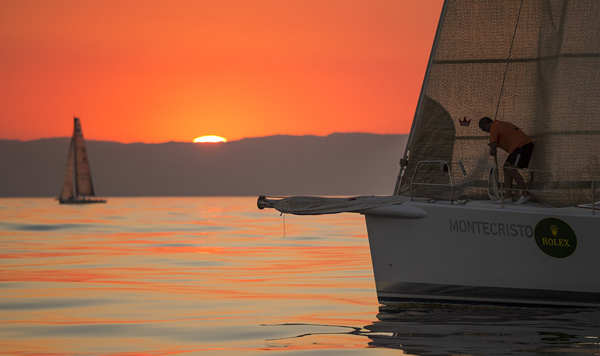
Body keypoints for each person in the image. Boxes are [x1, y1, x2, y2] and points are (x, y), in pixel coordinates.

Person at [479, 117, 534, 204]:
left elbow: (493, 148)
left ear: (486, 124)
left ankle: (525, 194)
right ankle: (508, 196)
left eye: (483, 129)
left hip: (523, 145)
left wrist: (492, 149)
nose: (485, 131)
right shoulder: (499, 124)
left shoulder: (494, 127)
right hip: (516, 147)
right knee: (506, 167)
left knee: (511, 169)